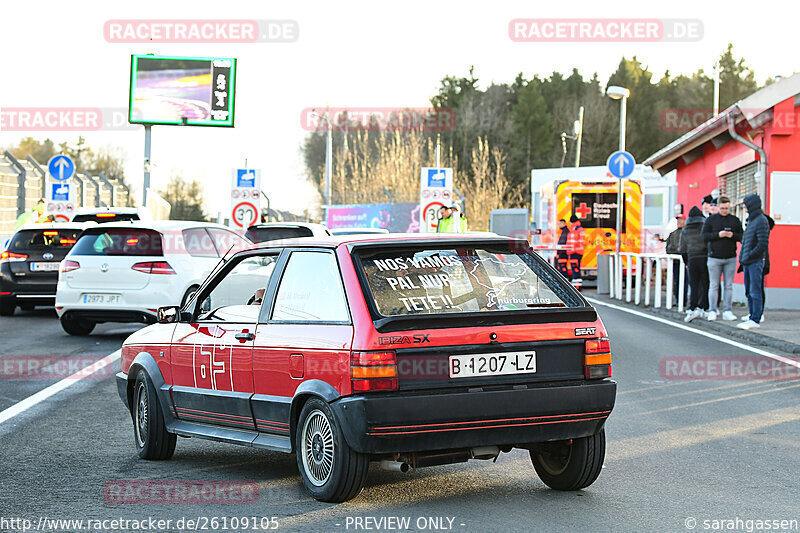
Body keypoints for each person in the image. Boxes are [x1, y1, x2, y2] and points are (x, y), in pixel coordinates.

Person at [702, 196, 743, 321]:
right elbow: (704, 235)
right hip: (714, 257)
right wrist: (717, 235)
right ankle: (713, 310)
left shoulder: (735, 220)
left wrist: (733, 235)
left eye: (727, 208)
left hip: (730, 257)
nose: (725, 210)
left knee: (728, 286)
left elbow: (742, 236)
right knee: (714, 285)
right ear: (718, 207)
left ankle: (727, 310)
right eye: (722, 208)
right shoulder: (711, 220)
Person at [737, 194, 770, 330]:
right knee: (749, 291)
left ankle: (755, 318)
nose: (744, 207)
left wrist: (749, 255)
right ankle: (752, 314)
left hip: (755, 261)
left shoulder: (761, 220)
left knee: (755, 290)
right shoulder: (751, 220)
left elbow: (762, 243)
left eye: (745, 204)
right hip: (748, 261)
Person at [680, 206, 709, 322]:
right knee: (705, 283)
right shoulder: (704, 227)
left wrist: (686, 261)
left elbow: (682, 248)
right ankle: (703, 306)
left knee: (694, 284)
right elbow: (708, 242)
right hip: (704, 257)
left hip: (692, 258)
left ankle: (692, 306)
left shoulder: (685, 230)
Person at [664, 214, 687, 305]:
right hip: (676, 261)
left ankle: (684, 301)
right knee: (677, 281)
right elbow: (668, 248)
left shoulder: (687, 232)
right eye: (678, 220)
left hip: (685, 261)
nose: (679, 222)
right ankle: (678, 300)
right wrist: (675, 250)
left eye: (681, 220)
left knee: (685, 281)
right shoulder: (673, 234)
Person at [566, 214, 585, 286]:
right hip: (575, 252)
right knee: (575, 268)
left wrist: (571, 251)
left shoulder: (577, 229)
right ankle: (576, 285)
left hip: (575, 252)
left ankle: (577, 286)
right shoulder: (575, 229)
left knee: (575, 269)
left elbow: (577, 242)